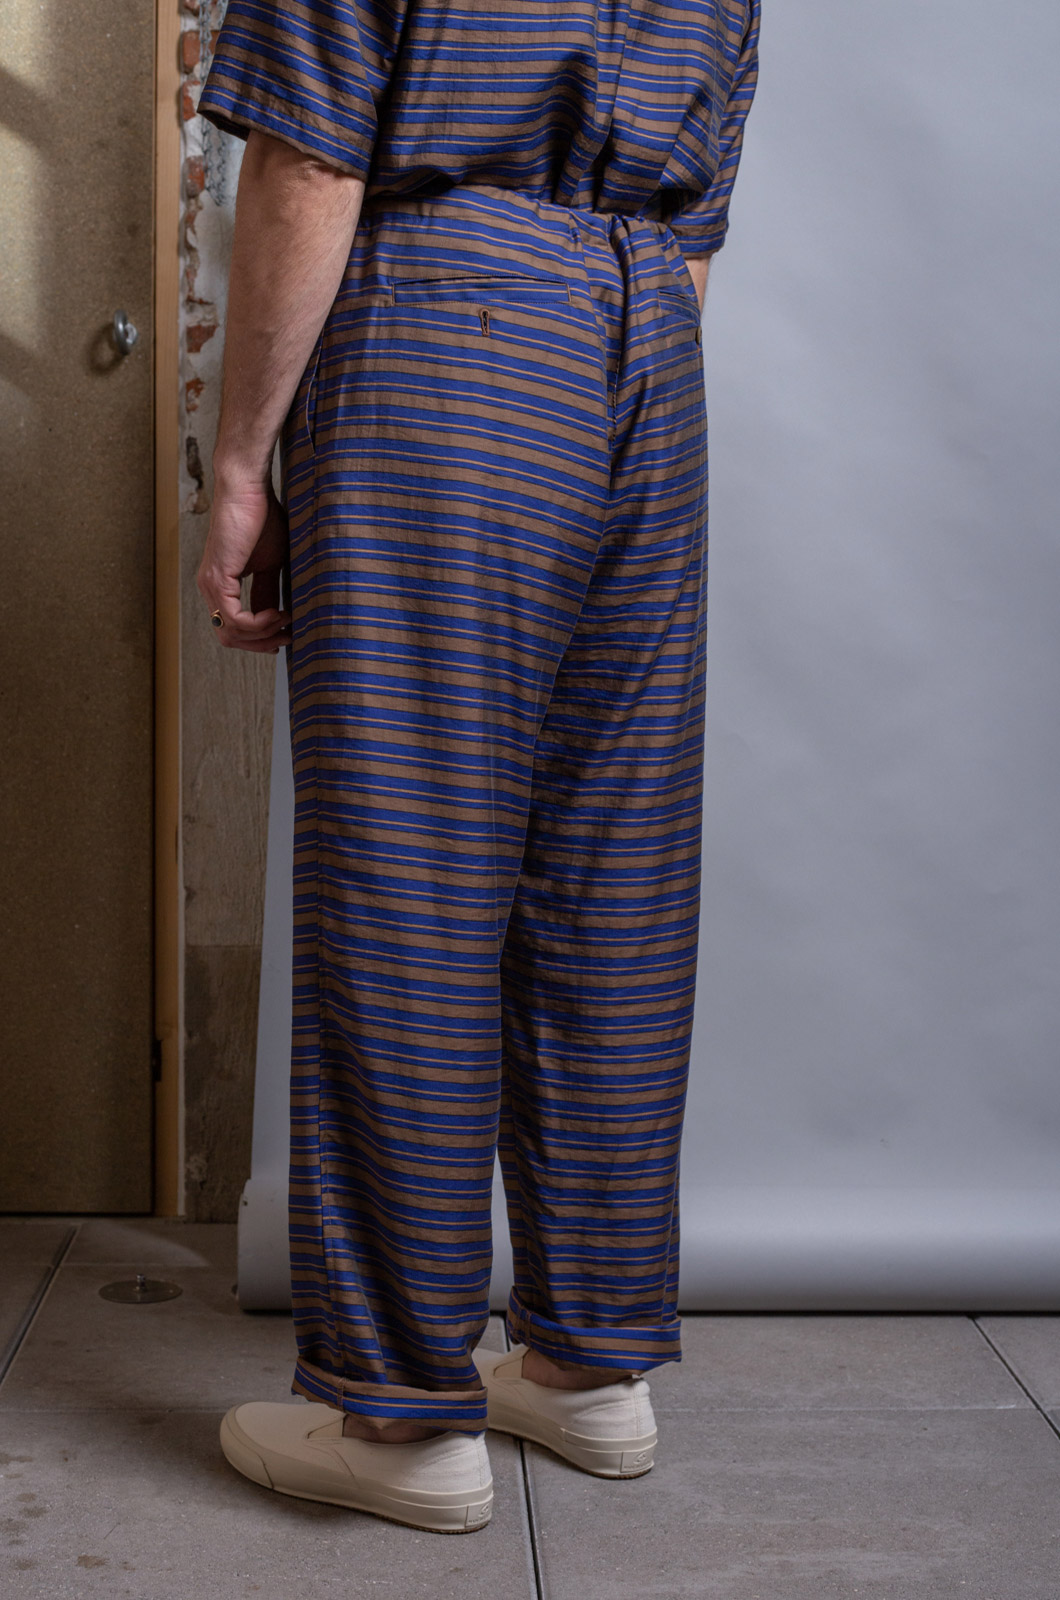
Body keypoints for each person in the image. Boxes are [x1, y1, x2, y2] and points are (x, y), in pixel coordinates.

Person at [196, 0, 760, 1535]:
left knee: (409, 869)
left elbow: (314, 163)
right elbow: (695, 226)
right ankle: (587, 1366)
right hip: (648, 352)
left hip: (448, 323)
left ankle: (398, 1416)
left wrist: (241, 459)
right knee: (608, 875)